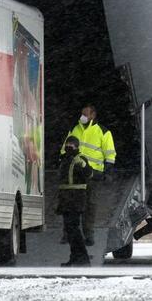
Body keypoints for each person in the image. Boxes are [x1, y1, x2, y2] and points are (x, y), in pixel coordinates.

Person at [59, 104, 116, 246]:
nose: (82, 116)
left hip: (93, 175)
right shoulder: (74, 129)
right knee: (71, 205)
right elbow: (63, 150)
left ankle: (88, 235)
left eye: (86, 114)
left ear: (93, 115)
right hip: (75, 173)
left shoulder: (103, 132)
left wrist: (107, 171)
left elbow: (110, 153)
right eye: (82, 113)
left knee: (90, 205)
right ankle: (68, 234)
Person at [57, 136, 92, 266]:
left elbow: (89, 174)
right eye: (67, 145)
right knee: (69, 230)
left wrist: (83, 166)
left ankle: (83, 258)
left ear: (77, 146)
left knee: (74, 229)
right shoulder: (64, 159)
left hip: (76, 199)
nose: (68, 147)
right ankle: (75, 257)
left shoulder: (80, 159)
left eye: (71, 145)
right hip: (65, 199)